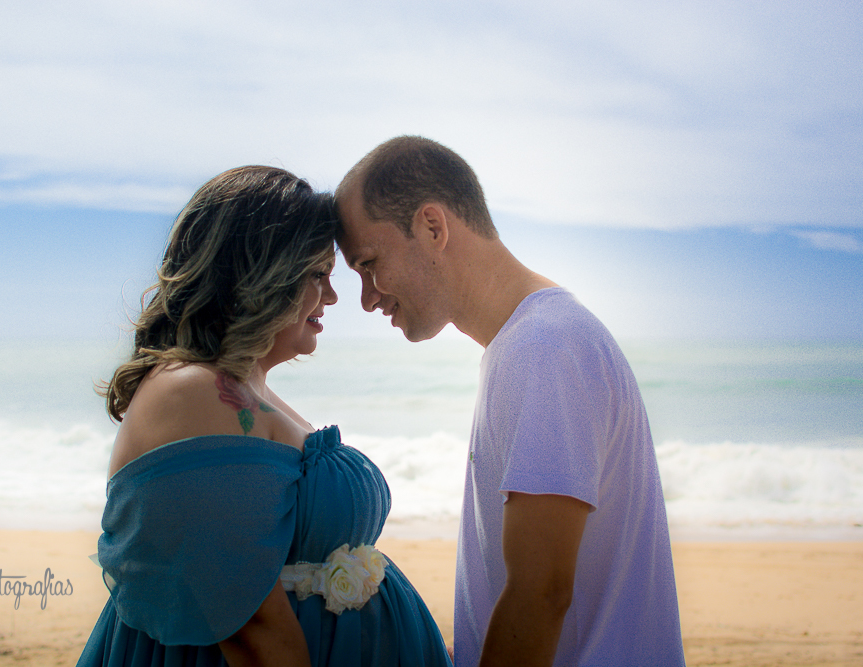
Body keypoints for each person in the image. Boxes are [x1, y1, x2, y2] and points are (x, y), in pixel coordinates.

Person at [78, 166, 452, 667]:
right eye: (317, 274)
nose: (332, 296)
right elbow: (251, 629)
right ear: (260, 273)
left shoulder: (242, 388)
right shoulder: (192, 392)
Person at [335, 137, 685, 667]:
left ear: (432, 227)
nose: (367, 298)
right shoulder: (530, 341)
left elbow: (540, 594)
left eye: (368, 263)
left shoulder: (544, 347)